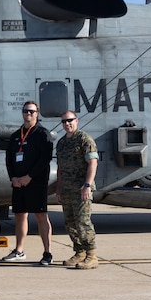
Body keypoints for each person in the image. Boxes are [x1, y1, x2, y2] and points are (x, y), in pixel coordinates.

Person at [2, 102, 55, 266]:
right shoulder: (16, 135)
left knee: (40, 216)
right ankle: (19, 250)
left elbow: (45, 159)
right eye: (25, 111)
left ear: (37, 113)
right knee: (20, 215)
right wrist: (13, 178)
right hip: (18, 183)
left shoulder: (42, 134)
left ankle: (47, 253)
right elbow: (9, 159)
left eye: (31, 111)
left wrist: (29, 176)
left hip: (36, 182)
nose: (28, 114)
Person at [55, 111, 99, 269]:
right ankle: (79, 252)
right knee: (70, 223)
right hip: (66, 189)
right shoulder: (61, 143)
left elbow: (92, 163)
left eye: (70, 120)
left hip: (81, 190)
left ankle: (91, 255)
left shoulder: (84, 139)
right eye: (64, 121)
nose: (67, 124)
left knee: (83, 222)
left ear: (77, 121)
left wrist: (87, 185)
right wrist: (58, 189)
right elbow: (60, 168)